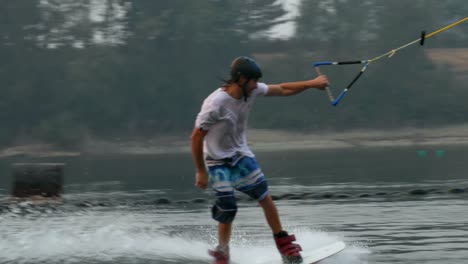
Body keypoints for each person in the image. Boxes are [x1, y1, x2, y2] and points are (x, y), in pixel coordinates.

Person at [190, 56, 328, 264]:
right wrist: (200, 171)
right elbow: (196, 136)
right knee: (227, 206)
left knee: (264, 196)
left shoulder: (251, 91)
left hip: (240, 154)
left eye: (257, 81)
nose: (256, 85)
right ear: (241, 79)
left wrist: (311, 84)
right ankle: (223, 252)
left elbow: (282, 89)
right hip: (216, 160)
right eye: (253, 80)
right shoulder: (215, 104)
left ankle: (284, 246)